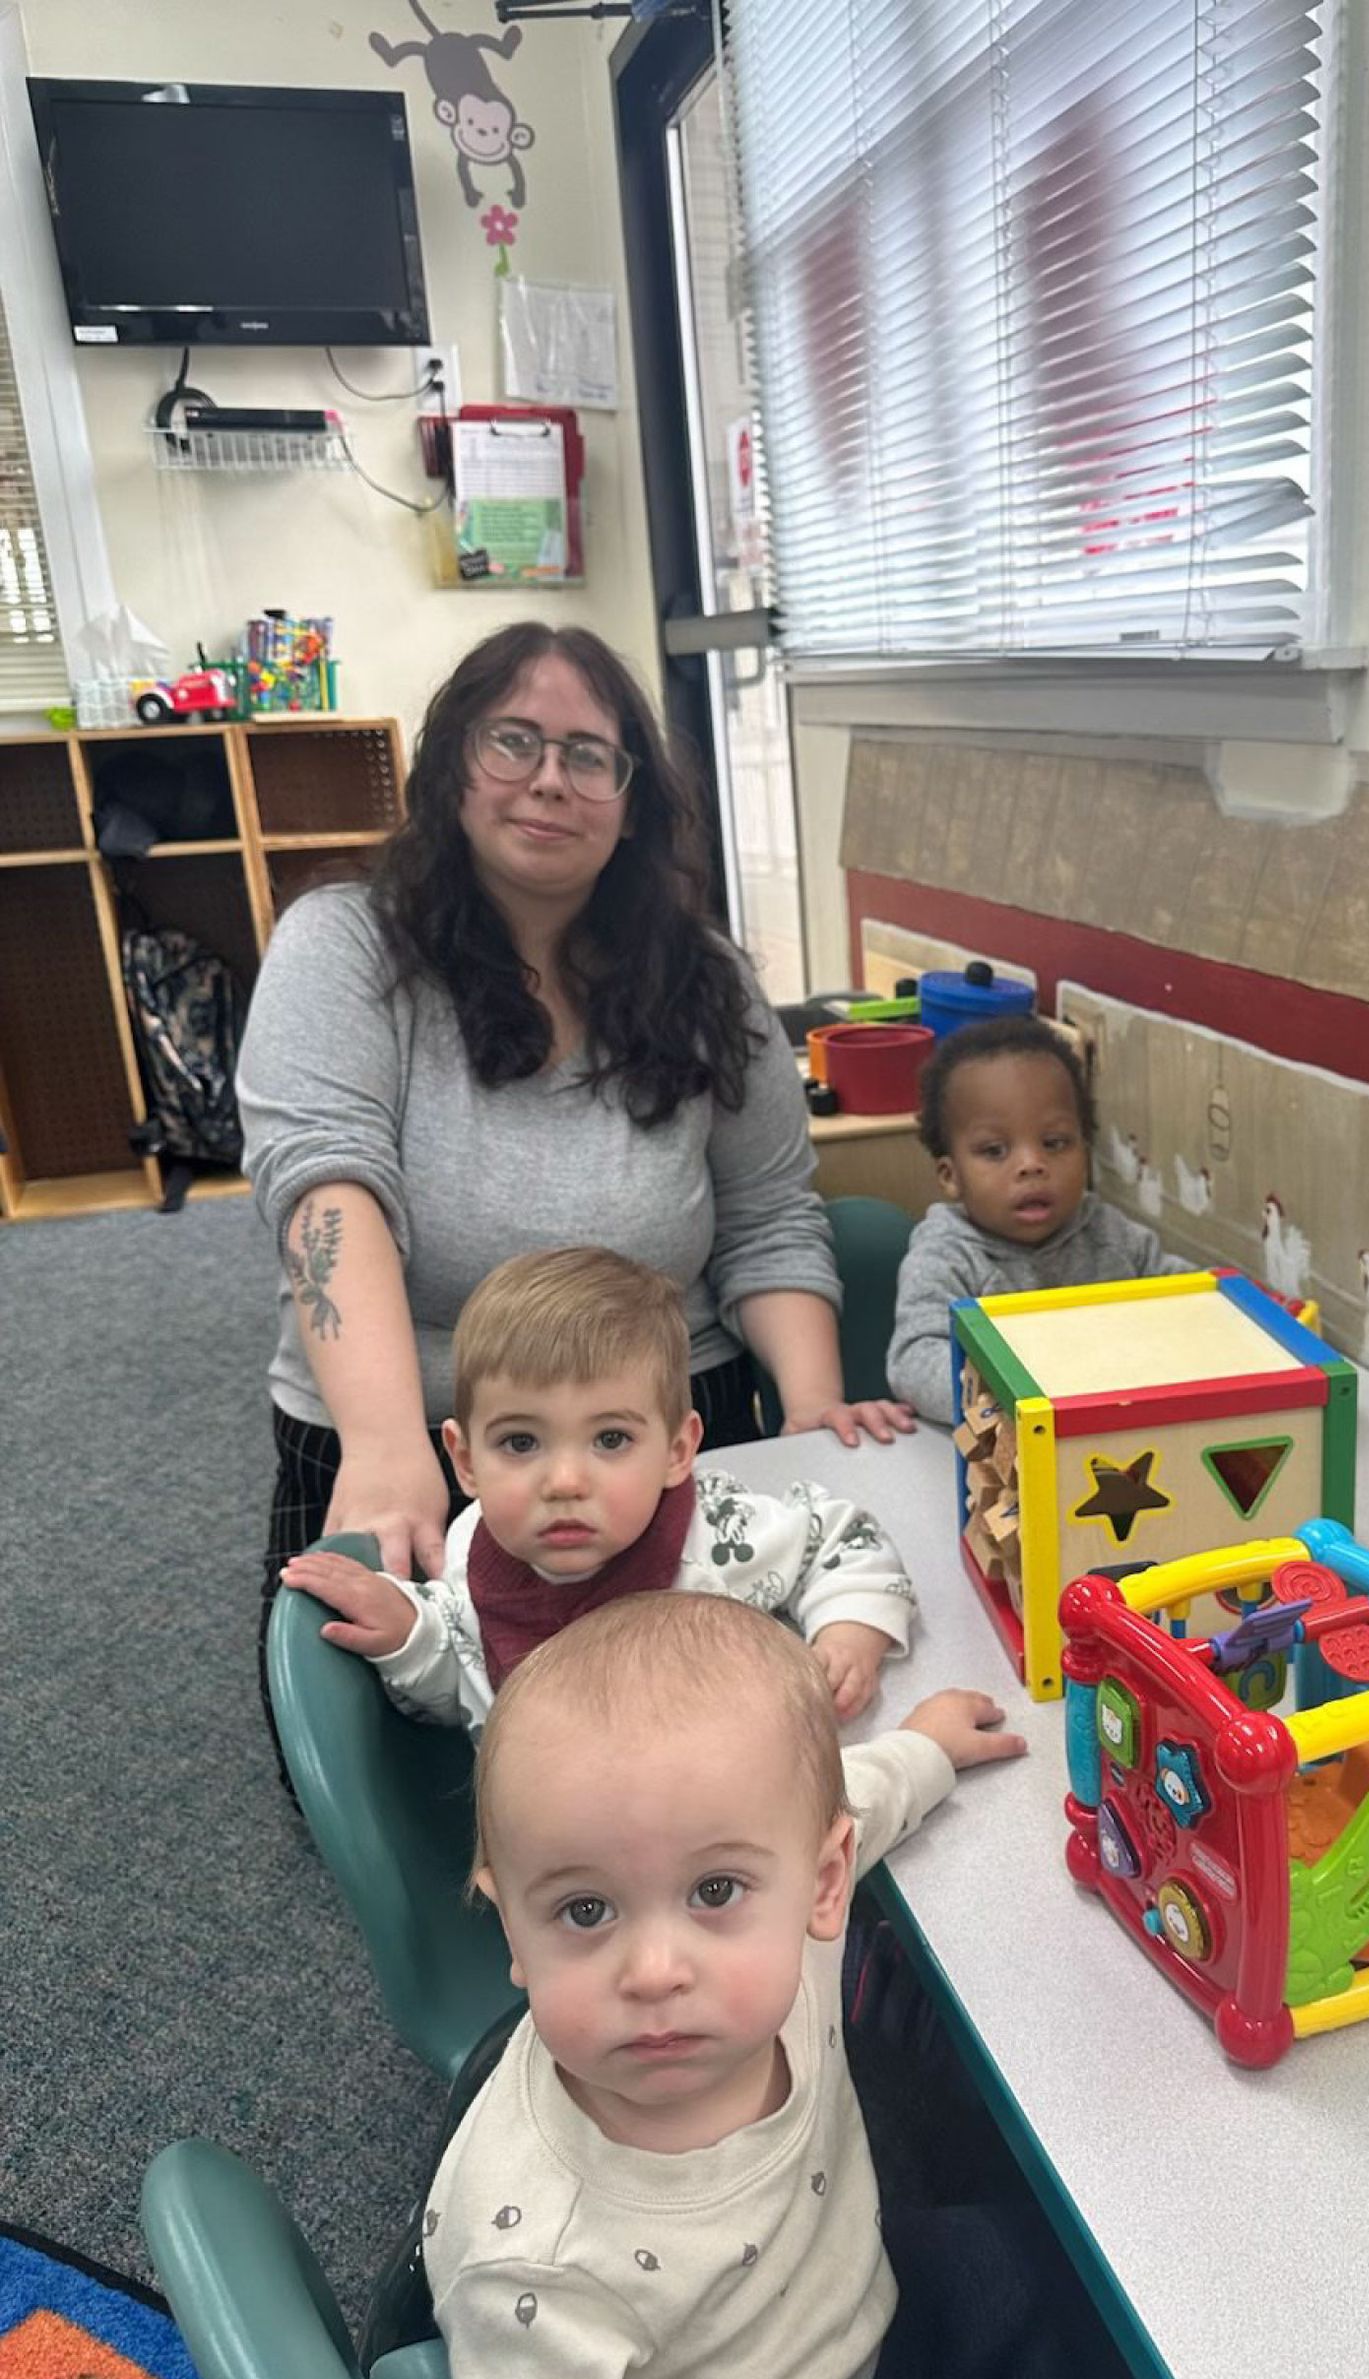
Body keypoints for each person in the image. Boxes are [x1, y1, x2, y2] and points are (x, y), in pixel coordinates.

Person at [239, 622, 912, 1753]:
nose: (550, 779)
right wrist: (393, 1438)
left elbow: (768, 1214)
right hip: (418, 1426)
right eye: (513, 742)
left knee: (722, 1753)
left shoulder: (706, 978)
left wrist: (802, 1416)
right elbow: (324, 1189)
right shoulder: (346, 943)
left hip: (655, 1433)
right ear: (453, 761)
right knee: (428, 1794)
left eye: (589, 754)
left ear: (633, 798)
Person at [425, 1592, 1176, 2379]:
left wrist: (928, 1749)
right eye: (582, 1911)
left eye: (714, 1891)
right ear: (510, 1929)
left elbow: (843, 1800)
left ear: (822, 1886)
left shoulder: (797, 1934)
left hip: (841, 2321)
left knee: (1004, 2262)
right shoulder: (529, 2257)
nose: (656, 1969)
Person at [280, 1247, 913, 1729]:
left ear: (677, 1450)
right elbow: (470, 1688)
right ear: (465, 1462)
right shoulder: (473, 1549)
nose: (563, 1482)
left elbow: (843, 1538)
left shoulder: (719, 1535)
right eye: (520, 1443)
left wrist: (849, 1630)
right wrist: (413, 1637)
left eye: (610, 1440)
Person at [886, 1017, 1192, 1421]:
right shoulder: (947, 1256)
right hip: (996, 1456)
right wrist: (1015, 1394)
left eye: (1055, 1144)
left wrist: (1245, 1311)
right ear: (950, 1176)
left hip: (1108, 1438)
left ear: (1085, 1151)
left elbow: (1188, 1299)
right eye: (995, 1151)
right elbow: (914, 1362)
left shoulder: (1109, 1233)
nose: (1032, 1165)